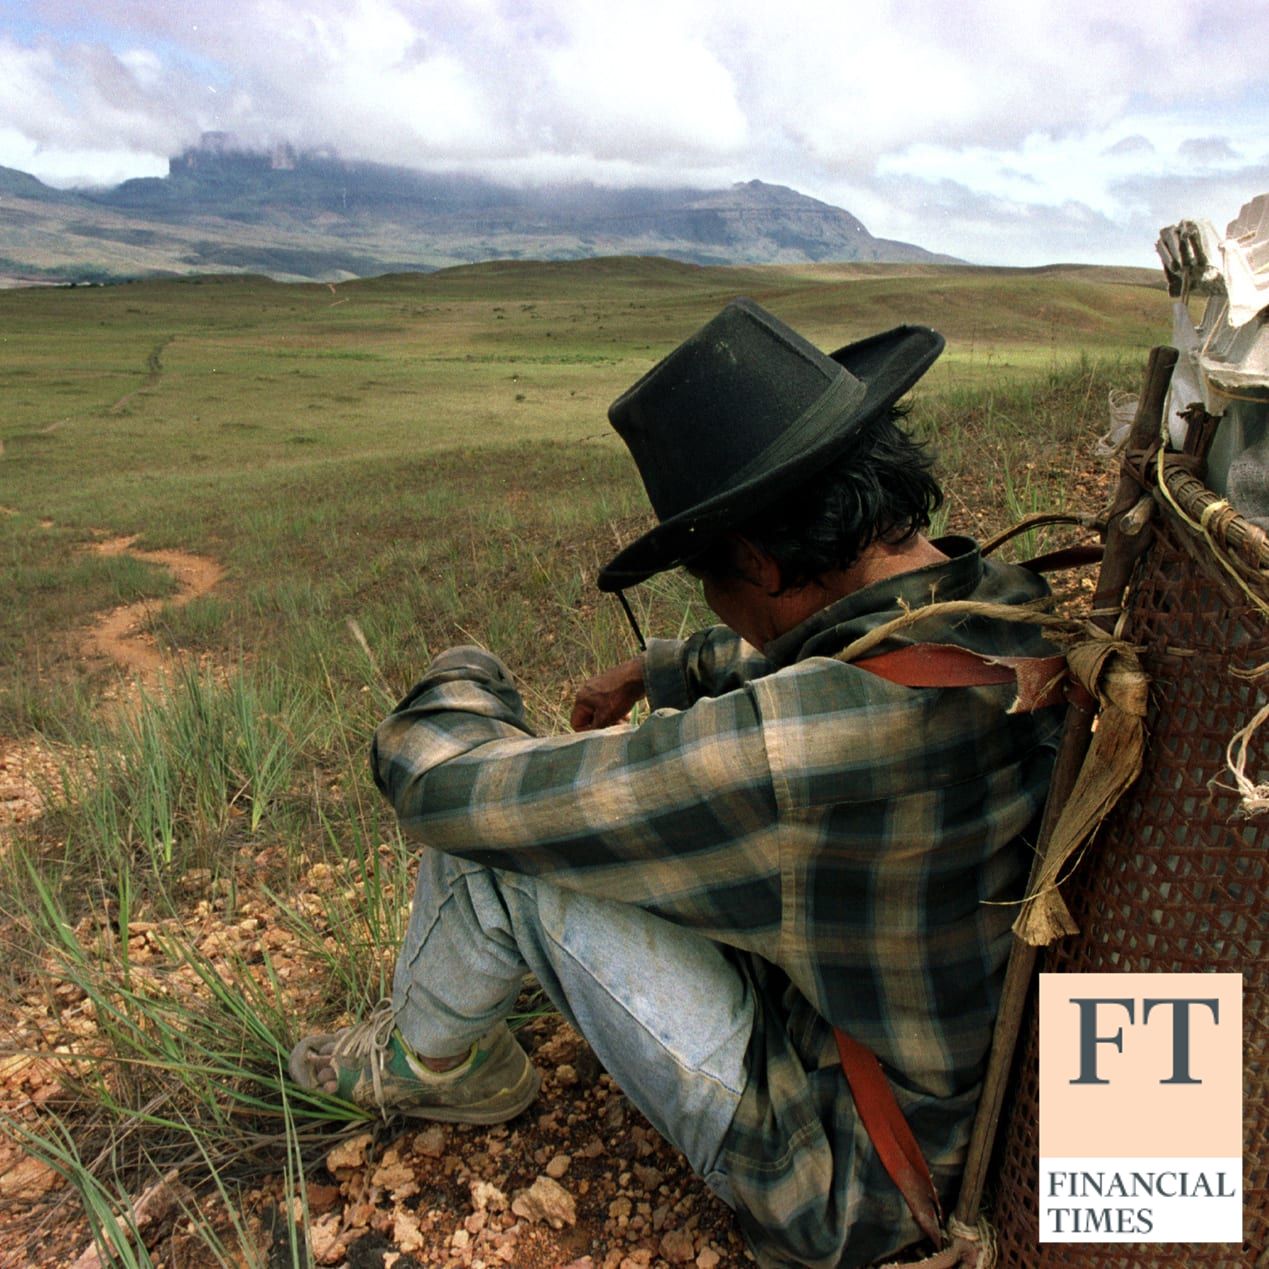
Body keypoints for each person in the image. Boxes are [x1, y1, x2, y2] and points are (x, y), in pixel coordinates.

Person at [289, 298, 1063, 1268]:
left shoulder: (791, 754)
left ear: (759, 562)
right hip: (952, 1078)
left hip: (849, 1176)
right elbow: (854, 645)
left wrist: (462, 679)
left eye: (709, 579)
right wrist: (671, 667)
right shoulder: (1001, 599)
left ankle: (432, 1065)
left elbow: (450, 793)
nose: (718, 608)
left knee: (506, 858)